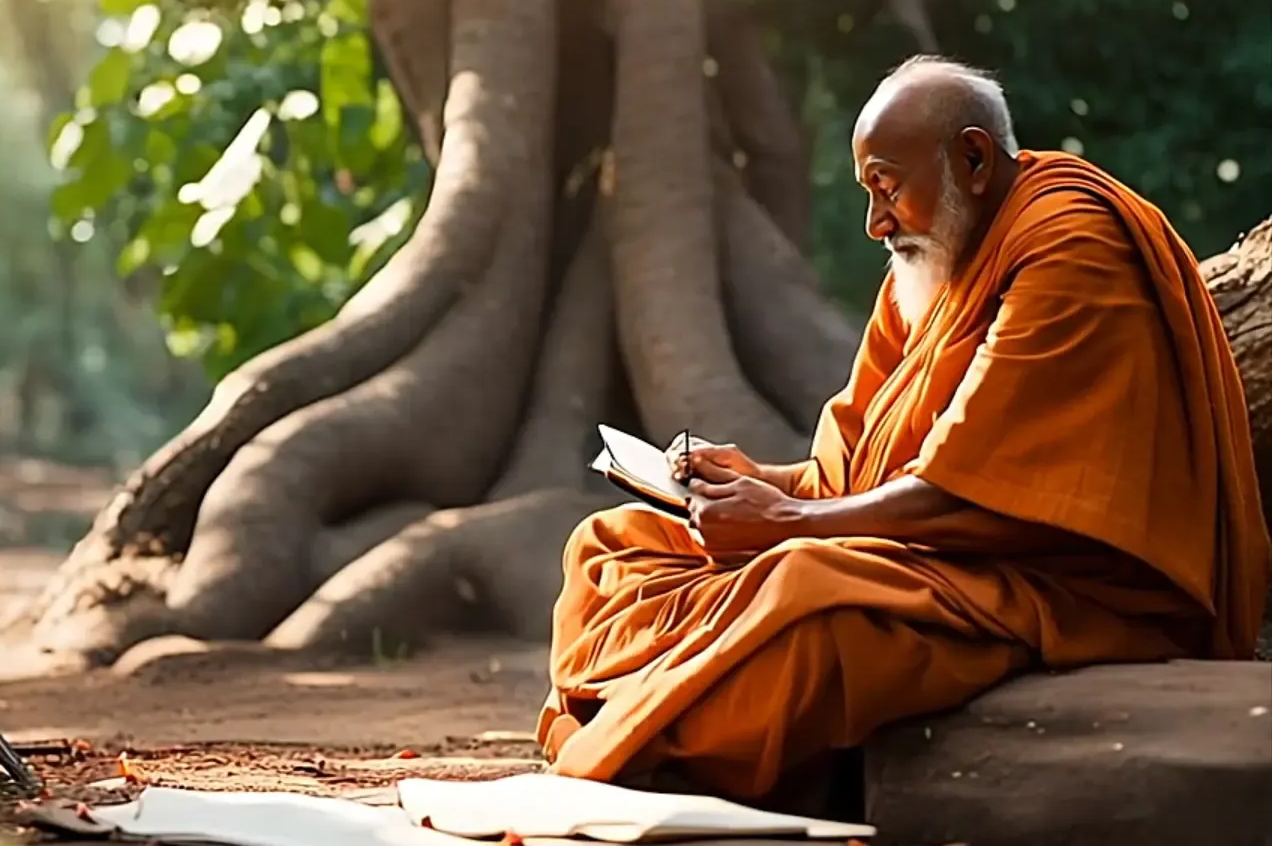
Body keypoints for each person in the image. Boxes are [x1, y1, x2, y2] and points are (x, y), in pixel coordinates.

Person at [537, 55, 1269, 805]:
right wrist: (759, 481)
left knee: (802, 593)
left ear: (974, 159)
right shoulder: (932, 259)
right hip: (921, 552)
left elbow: (976, 492)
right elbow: (855, 466)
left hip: (1054, 589)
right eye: (868, 192)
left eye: (887, 186)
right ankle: (650, 729)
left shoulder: (1072, 246)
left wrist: (788, 522)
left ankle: (650, 737)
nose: (874, 222)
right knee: (610, 545)